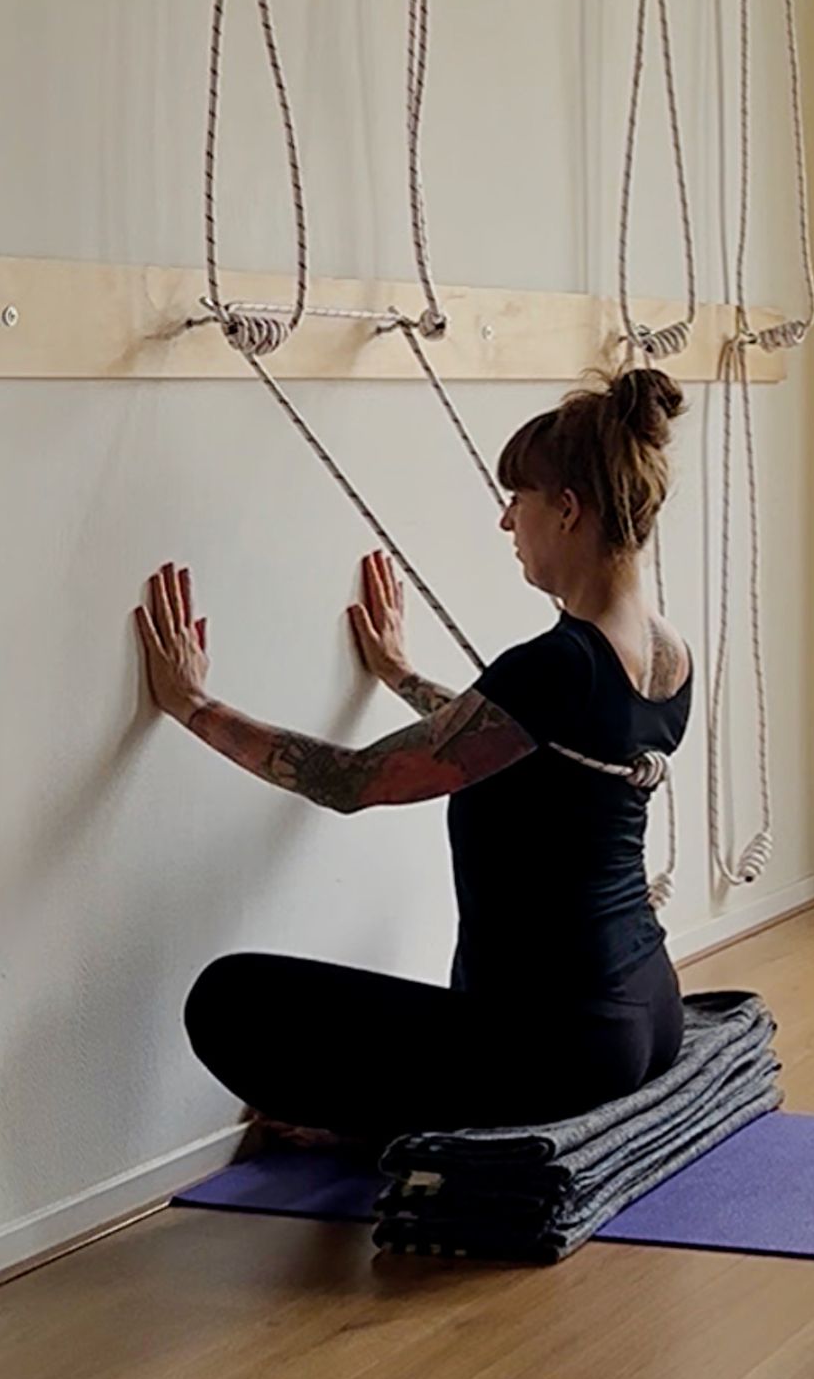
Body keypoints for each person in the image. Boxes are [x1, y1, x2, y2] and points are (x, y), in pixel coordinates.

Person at [135, 366, 693, 1149]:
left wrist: (193, 705)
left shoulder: (557, 663)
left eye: (519, 500)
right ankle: (411, 1113)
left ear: (567, 510)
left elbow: (355, 782)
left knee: (227, 999)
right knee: (436, 1006)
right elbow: (526, 741)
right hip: (648, 1010)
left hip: (559, 1046)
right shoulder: (666, 655)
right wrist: (400, 675)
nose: (506, 522)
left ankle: (383, 1133)